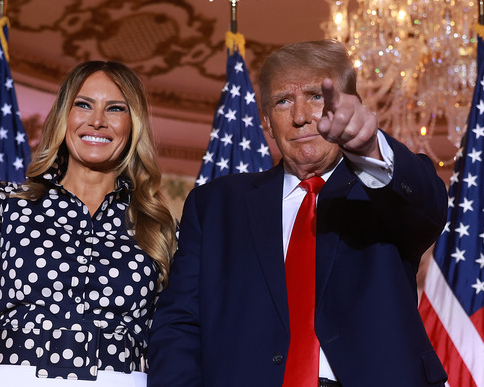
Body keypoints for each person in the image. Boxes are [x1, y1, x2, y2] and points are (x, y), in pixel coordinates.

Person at [147, 39, 449, 386]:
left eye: (316, 96)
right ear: (266, 121)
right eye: (283, 101)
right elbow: (179, 324)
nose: (301, 117)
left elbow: (428, 207)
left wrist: (370, 147)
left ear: (351, 107)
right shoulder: (216, 206)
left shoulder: (382, 186)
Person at [0, 1, 177, 386]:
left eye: (115, 109)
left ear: (133, 126)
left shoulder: (162, 226)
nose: (97, 120)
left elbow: (189, 328)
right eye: (83, 105)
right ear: (64, 116)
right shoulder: (15, 205)